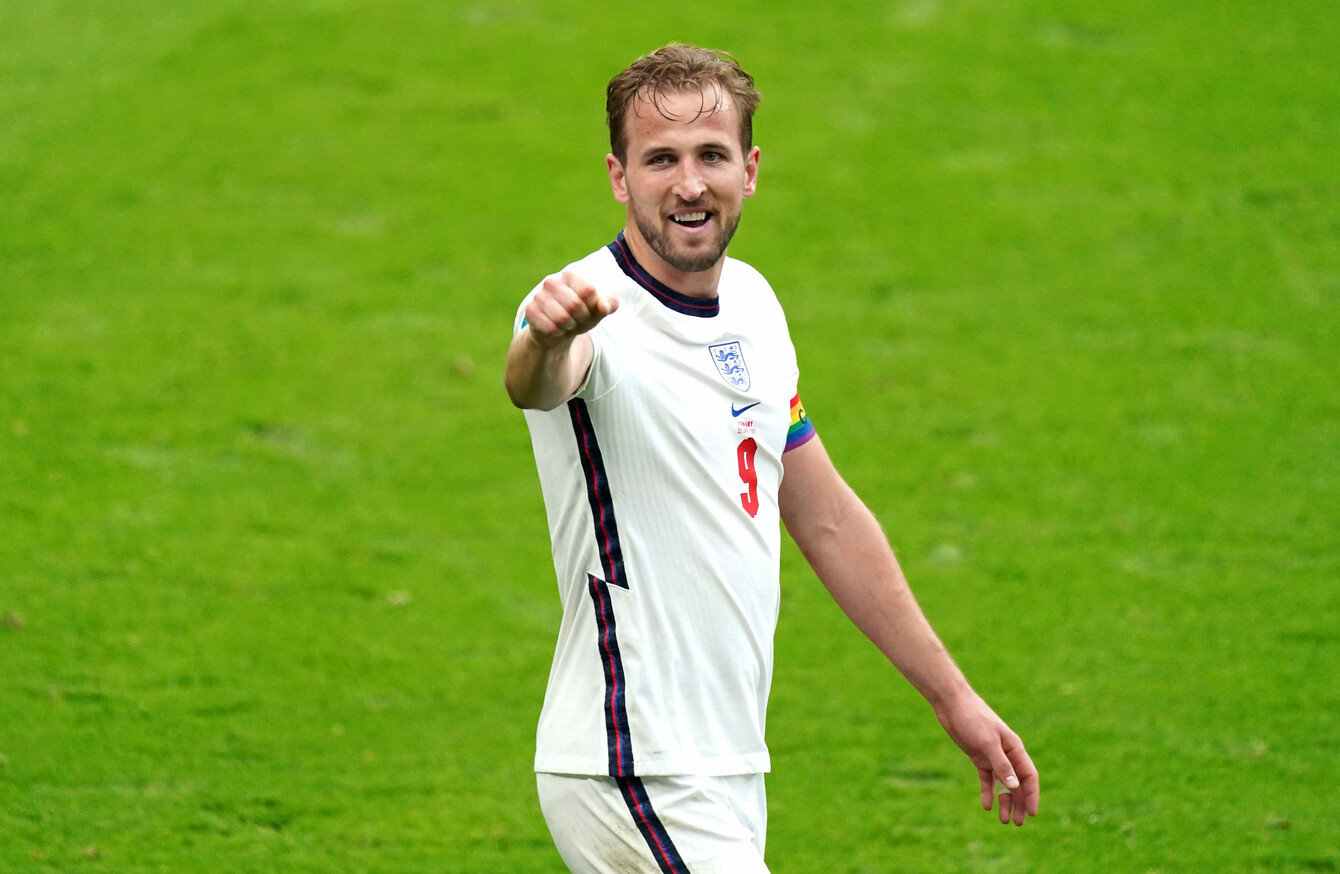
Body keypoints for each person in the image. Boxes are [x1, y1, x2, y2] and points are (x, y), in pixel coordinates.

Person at [504, 43, 1038, 874]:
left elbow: (825, 517)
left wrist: (953, 698)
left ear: (749, 170)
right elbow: (536, 383)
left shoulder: (753, 305)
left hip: (728, 761)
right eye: (661, 160)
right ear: (619, 177)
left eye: (711, 155)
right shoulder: (586, 307)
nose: (689, 184)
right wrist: (545, 336)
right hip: (632, 759)